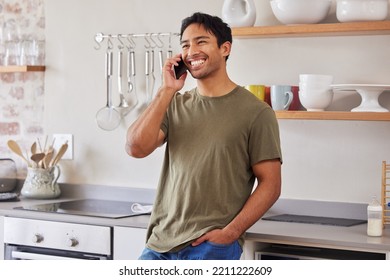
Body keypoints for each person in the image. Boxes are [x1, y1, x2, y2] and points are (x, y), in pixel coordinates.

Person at [125, 12, 282, 260]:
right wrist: (166, 90)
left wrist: (232, 232)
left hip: (211, 246)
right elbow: (135, 148)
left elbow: (271, 185)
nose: (191, 51)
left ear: (225, 48)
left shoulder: (256, 113)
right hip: (160, 244)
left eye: (201, 42)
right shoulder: (175, 104)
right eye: (185, 45)